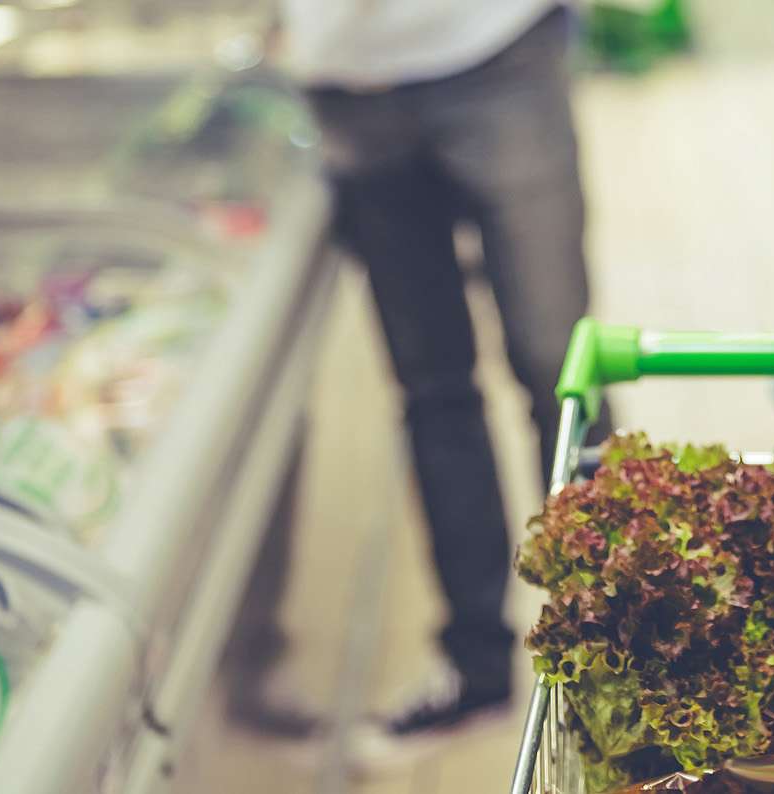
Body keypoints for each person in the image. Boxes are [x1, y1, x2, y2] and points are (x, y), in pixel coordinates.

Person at [246, 0, 608, 752]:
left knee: (561, 369)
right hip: (349, 85)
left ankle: (616, 649)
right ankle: (474, 664)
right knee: (431, 389)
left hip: (496, 49)